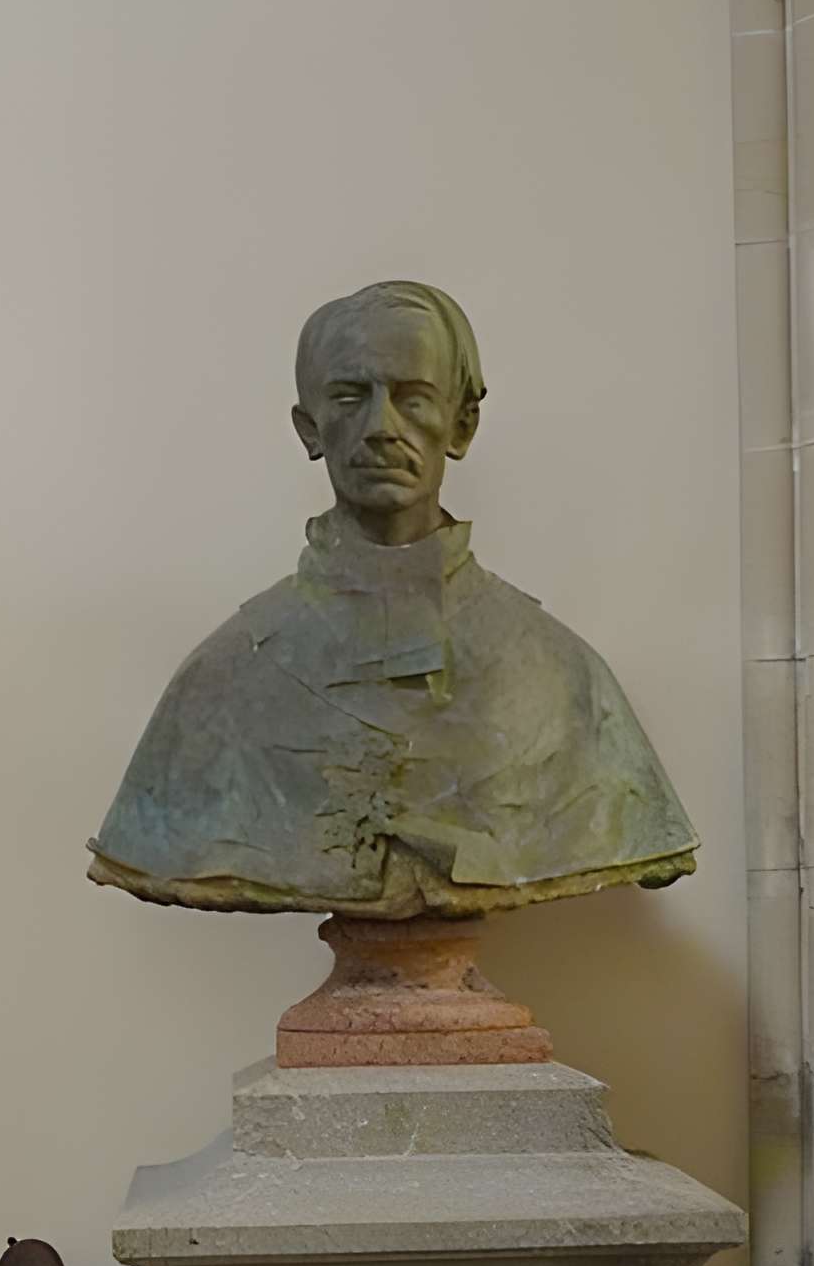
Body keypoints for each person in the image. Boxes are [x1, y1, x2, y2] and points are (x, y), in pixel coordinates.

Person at [90, 281, 697, 918]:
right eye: (350, 397)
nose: (381, 427)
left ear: (461, 425)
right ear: (309, 427)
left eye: (413, 399)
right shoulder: (221, 680)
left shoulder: (559, 675)